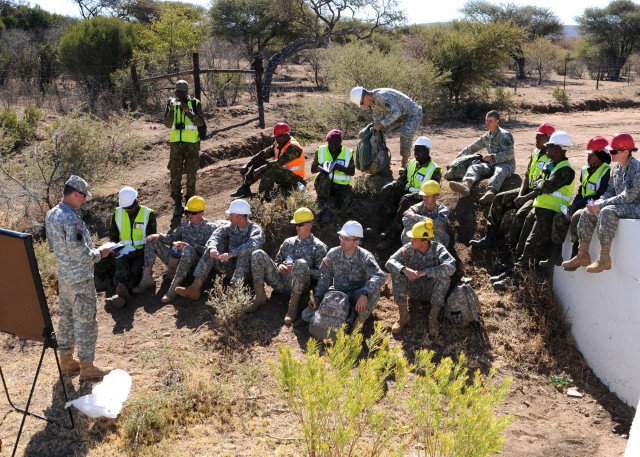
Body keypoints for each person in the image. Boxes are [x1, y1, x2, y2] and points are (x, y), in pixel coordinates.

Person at [45, 175, 113, 380]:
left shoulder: (51, 214)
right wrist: (101, 253)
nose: (84, 200)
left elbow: (51, 247)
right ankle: (87, 366)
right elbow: (81, 253)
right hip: (81, 279)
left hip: (64, 278)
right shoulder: (72, 218)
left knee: (66, 319)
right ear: (75, 193)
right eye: (83, 196)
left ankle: (66, 360)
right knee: (86, 321)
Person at [493, 131, 575, 290]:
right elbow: (538, 183)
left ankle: (515, 281)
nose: (547, 148)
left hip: (549, 212)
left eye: (550, 146)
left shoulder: (566, 170)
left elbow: (545, 186)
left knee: (531, 246)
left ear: (558, 149)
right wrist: (540, 184)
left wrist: (540, 184)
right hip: (538, 207)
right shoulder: (551, 165)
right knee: (522, 241)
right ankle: (512, 271)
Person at [562, 132, 640, 273]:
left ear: (626, 152)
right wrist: (597, 202)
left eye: (614, 151)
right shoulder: (616, 168)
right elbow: (610, 191)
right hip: (624, 204)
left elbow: (629, 196)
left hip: (636, 206)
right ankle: (582, 254)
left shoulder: (637, 169)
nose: (610, 153)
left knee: (607, 211)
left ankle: (604, 259)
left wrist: (601, 205)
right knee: (587, 211)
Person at [470, 123, 555, 250]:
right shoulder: (536, 152)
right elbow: (526, 175)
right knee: (499, 198)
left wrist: (525, 198)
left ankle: (510, 252)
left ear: (549, 139)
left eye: (540, 137)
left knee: (520, 215)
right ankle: (489, 237)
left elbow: (544, 186)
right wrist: (521, 194)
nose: (536, 139)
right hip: (527, 190)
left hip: (539, 195)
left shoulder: (553, 159)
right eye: (536, 136)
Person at [132, 196, 228, 303]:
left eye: (193, 213)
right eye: (188, 212)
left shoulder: (210, 228)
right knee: (152, 240)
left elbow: (209, 251)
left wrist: (189, 246)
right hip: (178, 259)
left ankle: (173, 288)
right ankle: (146, 278)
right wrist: (159, 236)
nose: (190, 215)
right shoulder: (185, 224)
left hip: (195, 266)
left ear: (202, 213)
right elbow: (172, 237)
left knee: (188, 249)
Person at [539, 136, 611, 268]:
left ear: (600, 155)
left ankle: (576, 255)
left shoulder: (607, 171)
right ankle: (556, 255)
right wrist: (572, 207)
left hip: (595, 205)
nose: (588, 157)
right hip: (582, 203)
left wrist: (576, 206)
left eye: (591, 154)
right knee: (559, 217)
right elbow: (581, 192)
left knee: (578, 216)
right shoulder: (585, 169)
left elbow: (600, 195)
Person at [250, 207, 328, 324]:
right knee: (258, 254)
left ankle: (292, 307)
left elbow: (322, 275)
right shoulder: (288, 242)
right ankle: (260, 297)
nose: (297, 227)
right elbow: (277, 261)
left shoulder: (319, 247)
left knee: (301, 263)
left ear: (310, 224)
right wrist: (280, 265)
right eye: (296, 224)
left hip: (299, 288)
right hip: (280, 282)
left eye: (300, 224)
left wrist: (301, 268)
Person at [176, 199, 264, 300]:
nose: (229, 217)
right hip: (232, 268)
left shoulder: (255, 229)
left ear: (239, 217)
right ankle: (195, 288)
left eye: (231, 215)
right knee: (210, 250)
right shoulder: (231, 227)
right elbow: (216, 236)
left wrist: (232, 253)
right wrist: (213, 248)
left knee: (244, 255)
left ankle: (234, 292)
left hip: (250, 272)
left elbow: (252, 244)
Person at [385, 219, 456, 337]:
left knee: (444, 278)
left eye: (414, 238)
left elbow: (451, 266)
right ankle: (403, 316)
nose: (410, 240)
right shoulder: (408, 248)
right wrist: (404, 269)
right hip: (413, 288)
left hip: (431, 291)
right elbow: (389, 262)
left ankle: (433, 318)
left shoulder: (438, 248)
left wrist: (425, 272)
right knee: (397, 272)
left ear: (424, 241)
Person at [312, 221, 385, 328]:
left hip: (356, 296)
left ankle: (359, 322)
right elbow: (325, 278)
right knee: (307, 314)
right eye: (341, 237)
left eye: (346, 239)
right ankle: (346, 315)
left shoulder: (365, 257)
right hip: (337, 294)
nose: (342, 241)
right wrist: (317, 296)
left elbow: (380, 275)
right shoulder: (333, 253)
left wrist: (365, 293)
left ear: (356, 242)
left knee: (374, 291)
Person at [377, 136, 442, 248]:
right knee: (385, 191)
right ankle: (394, 222)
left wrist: (414, 195)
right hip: (406, 193)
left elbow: (432, 192)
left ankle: (394, 233)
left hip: (421, 198)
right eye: (415, 150)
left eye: (419, 150)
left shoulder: (434, 169)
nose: (416, 153)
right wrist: (391, 185)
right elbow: (402, 179)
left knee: (406, 199)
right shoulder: (411, 163)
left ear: (427, 151)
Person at [449, 110, 515, 204]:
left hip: (507, 164)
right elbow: (474, 146)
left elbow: (510, 154)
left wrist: (493, 156)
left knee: (500, 171)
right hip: (491, 164)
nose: (487, 123)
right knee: (474, 167)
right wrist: (461, 154)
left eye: (490, 121)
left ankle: (490, 192)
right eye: (486, 120)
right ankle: (466, 186)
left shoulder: (504, 135)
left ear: (497, 121)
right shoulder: (487, 136)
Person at [106, 186, 157, 308]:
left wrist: (139, 253)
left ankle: (122, 294)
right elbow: (113, 236)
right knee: (121, 265)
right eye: (125, 208)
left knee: (135, 270)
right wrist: (116, 250)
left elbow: (151, 240)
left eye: (129, 208)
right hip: (123, 251)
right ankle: (121, 291)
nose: (127, 210)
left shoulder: (148, 214)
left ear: (136, 201)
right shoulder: (117, 213)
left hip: (141, 253)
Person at [349, 87, 423, 167]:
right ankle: (382, 158)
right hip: (401, 115)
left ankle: (405, 161)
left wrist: (381, 124)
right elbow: (377, 117)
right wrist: (376, 126)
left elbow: (396, 112)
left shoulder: (382, 95)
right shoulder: (373, 100)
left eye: (362, 103)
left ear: (365, 97)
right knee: (378, 133)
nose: (363, 106)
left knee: (406, 133)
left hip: (412, 113)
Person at [230, 122, 305, 200]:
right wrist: (247, 164)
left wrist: (262, 169)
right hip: (283, 172)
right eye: (275, 137)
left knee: (271, 171)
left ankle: (262, 196)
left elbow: (279, 162)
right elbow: (263, 153)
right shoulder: (278, 144)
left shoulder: (294, 148)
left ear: (286, 135)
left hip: (295, 178)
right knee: (259, 162)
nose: (276, 139)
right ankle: (245, 187)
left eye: (278, 137)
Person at [164, 79, 205, 216]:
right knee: (175, 174)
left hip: (192, 145)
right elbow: (168, 124)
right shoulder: (172, 104)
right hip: (176, 144)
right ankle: (177, 203)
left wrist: (188, 112)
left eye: (182, 91)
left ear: (186, 92)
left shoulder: (195, 103)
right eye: (177, 91)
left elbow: (200, 123)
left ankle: (190, 202)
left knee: (191, 174)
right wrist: (170, 110)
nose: (179, 94)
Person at [311, 128, 355, 223]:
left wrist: (340, 167)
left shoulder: (348, 152)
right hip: (324, 185)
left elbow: (352, 172)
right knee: (323, 176)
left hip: (342, 186)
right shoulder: (320, 150)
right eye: (331, 144)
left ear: (341, 141)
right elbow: (312, 169)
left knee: (345, 206)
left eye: (336, 143)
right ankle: (324, 209)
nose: (333, 146)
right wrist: (322, 167)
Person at [401, 180, 450, 246]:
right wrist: (425, 225)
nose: (424, 198)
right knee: (407, 231)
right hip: (421, 237)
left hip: (436, 238)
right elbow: (405, 219)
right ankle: (414, 251)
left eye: (428, 195)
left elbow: (436, 224)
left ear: (436, 196)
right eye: (423, 195)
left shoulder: (443, 209)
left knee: (436, 233)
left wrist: (414, 217)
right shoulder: (419, 206)